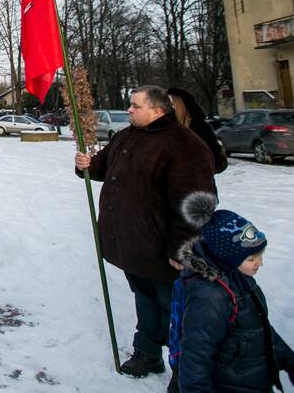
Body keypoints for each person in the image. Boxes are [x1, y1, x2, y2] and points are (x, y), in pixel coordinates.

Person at [74, 85, 216, 382]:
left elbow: (197, 203)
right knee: (144, 298)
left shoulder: (184, 145)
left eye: (136, 106)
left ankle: (186, 367)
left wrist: (182, 248)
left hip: (163, 248)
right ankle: (148, 353)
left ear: (158, 111)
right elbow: (104, 166)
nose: (129, 110)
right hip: (131, 241)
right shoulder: (127, 136)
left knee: (175, 308)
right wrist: (89, 164)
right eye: (131, 105)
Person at [171, 193, 294, 393]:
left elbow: (257, 328)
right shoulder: (209, 296)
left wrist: (287, 360)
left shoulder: (240, 278)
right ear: (228, 256)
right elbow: (196, 355)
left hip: (250, 378)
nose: (260, 263)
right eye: (252, 259)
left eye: (260, 255)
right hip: (227, 384)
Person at [167, 87, 227, 176]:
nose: (167, 108)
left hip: (198, 186)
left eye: (171, 104)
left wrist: (192, 170)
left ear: (181, 105)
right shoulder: (166, 129)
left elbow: (220, 162)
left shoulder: (200, 128)